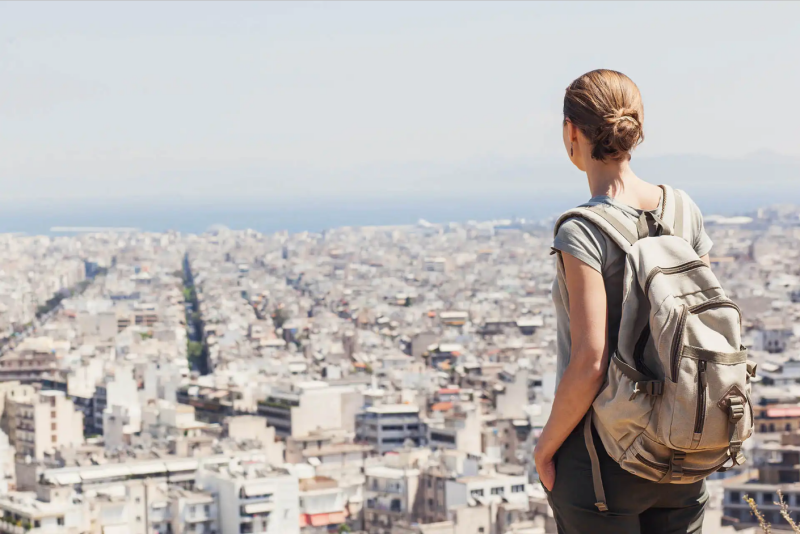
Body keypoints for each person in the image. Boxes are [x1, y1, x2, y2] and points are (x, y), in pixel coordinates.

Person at [534, 69, 712, 533]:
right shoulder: (682, 208)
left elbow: (591, 362)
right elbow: (709, 327)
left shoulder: (582, 230)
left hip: (603, 461)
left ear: (571, 132)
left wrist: (545, 447)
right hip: (683, 447)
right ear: (636, 127)